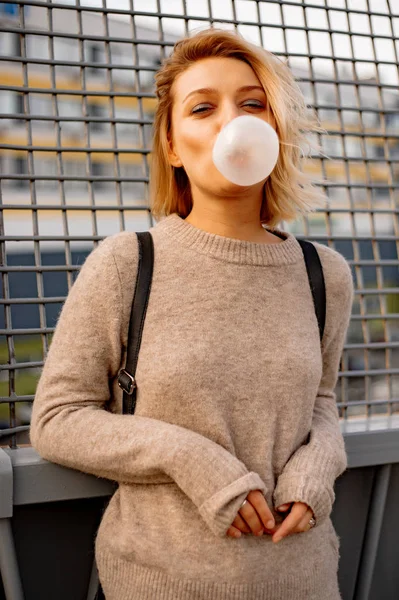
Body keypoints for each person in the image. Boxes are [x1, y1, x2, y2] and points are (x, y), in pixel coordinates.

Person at [30, 28, 354, 600]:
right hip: (158, 585)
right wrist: (190, 457)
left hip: (304, 581)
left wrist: (318, 468)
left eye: (252, 104)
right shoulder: (127, 263)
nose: (233, 121)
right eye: (203, 107)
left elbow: (322, 403)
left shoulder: (323, 273)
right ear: (174, 146)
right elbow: (57, 419)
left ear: (274, 130)